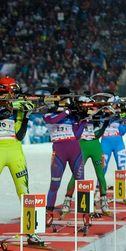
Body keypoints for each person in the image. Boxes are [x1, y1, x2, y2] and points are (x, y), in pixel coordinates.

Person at [0, 76, 36, 232]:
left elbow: (20, 136)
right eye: (12, 92)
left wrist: (26, 116)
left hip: (15, 149)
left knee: (24, 191)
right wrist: (10, 105)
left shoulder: (15, 108)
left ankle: (31, 231)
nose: (14, 95)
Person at [43, 88, 87, 224]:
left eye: (66, 99)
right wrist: (66, 111)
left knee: (82, 184)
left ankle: (86, 215)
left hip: (75, 150)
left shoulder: (71, 115)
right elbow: (53, 121)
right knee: (55, 184)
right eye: (63, 99)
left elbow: (77, 135)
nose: (65, 101)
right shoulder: (49, 113)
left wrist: (84, 120)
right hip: (59, 151)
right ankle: (49, 213)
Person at [63, 97, 112, 215]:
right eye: (85, 105)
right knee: (76, 174)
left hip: (95, 144)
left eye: (89, 106)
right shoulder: (75, 113)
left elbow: (98, 132)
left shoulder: (94, 112)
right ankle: (67, 201)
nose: (88, 108)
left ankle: (104, 201)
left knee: (101, 175)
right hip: (81, 145)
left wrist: (105, 120)